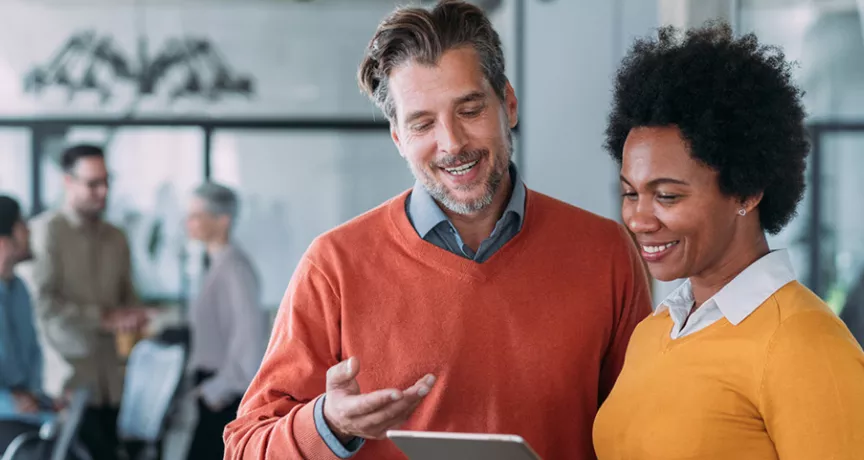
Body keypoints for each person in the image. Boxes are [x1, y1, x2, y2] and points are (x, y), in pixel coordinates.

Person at [224, 2, 652, 459]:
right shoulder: (334, 266)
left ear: (507, 103)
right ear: (397, 137)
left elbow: (644, 432)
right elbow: (245, 447)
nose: (452, 143)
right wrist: (330, 423)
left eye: (469, 110)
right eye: (423, 123)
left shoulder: (604, 253)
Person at [593, 22, 864, 459]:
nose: (639, 219)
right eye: (630, 193)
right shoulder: (652, 332)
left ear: (746, 190)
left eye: (666, 195)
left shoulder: (803, 342)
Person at [29, 144, 149, 460]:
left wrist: (134, 315)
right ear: (68, 182)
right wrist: (103, 318)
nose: (103, 191)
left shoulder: (117, 237)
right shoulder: (46, 233)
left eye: (107, 181)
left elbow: (128, 297)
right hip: (66, 380)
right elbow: (42, 305)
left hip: (111, 382)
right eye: (93, 183)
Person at [183, 183, 267, 460]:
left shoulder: (235, 269)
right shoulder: (216, 264)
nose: (189, 223)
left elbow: (249, 336)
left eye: (197, 215)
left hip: (223, 393)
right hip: (213, 389)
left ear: (222, 220)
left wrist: (220, 387)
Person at [0, 195, 58, 452]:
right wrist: (10, 402)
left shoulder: (20, 289)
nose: (29, 230)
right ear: (4, 240)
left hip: (25, 414)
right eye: (21, 224)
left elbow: (30, 357)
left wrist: (39, 397)